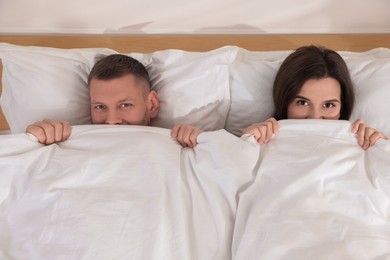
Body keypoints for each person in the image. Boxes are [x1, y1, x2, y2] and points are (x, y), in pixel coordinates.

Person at [26, 54, 203, 148]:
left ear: (152, 105)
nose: (111, 121)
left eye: (125, 105)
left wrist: (201, 143)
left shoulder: (182, 147)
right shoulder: (62, 145)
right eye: (100, 106)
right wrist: (34, 141)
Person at [242, 45, 388, 150]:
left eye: (329, 105)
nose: (315, 117)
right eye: (302, 102)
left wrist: (382, 147)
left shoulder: (362, 143)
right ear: (284, 102)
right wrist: (245, 143)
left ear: (343, 106)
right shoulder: (258, 141)